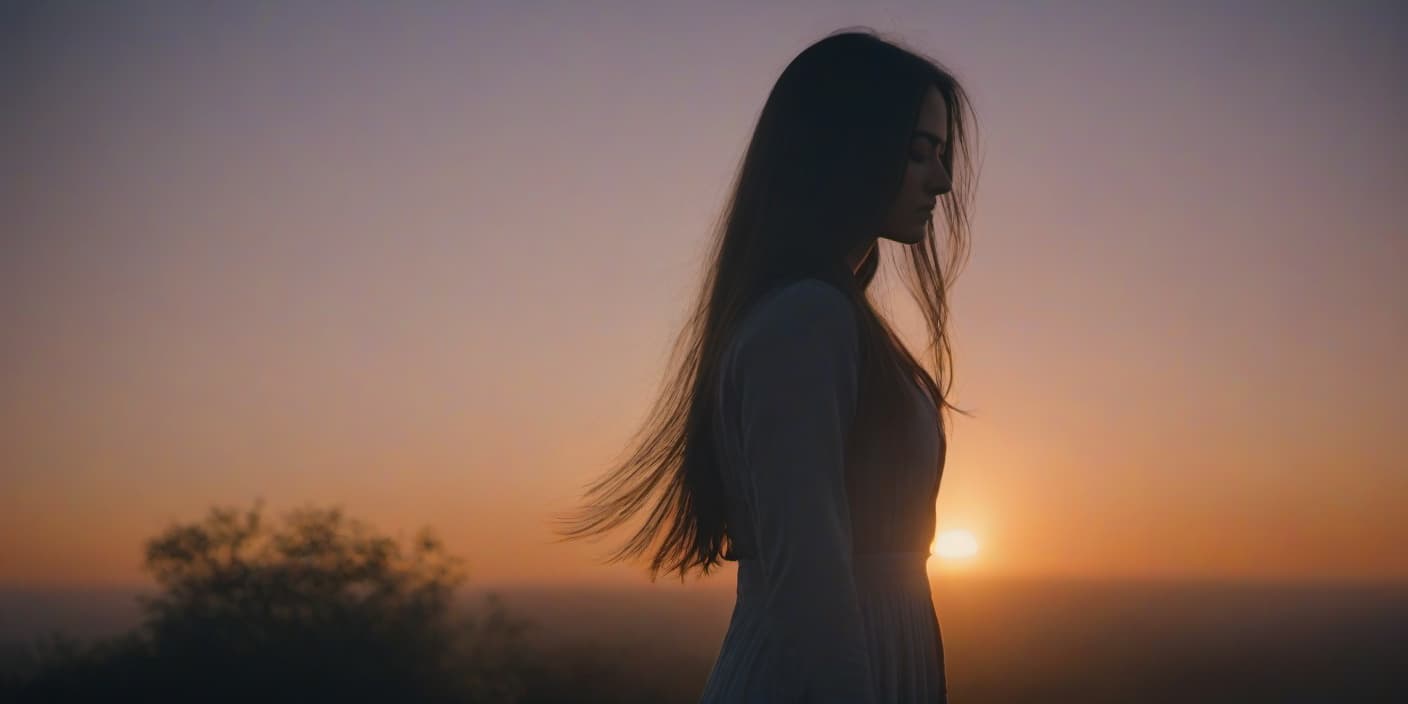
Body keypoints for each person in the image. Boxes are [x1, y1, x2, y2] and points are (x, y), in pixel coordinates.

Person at [553, 27, 978, 703]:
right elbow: (806, 576)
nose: (944, 180)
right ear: (848, 147)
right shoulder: (806, 318)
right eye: (918, 152)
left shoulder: (820, 314)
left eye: (942, 153)